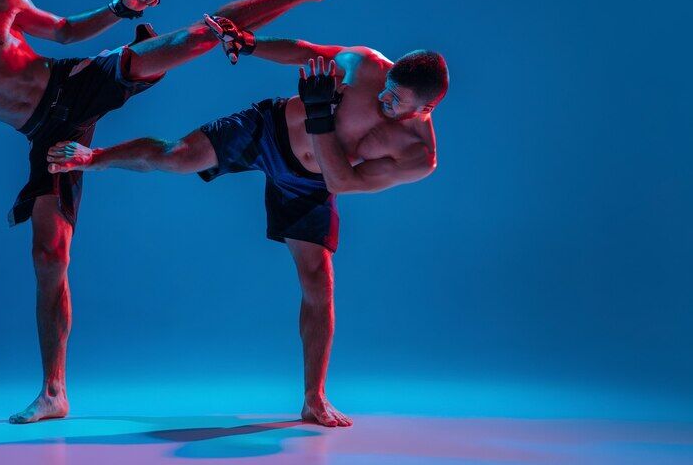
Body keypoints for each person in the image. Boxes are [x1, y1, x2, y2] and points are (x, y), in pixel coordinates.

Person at [0, 0, 378, 423]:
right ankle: (54, 392)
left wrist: (118, 9)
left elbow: (62, 31)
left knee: (202, 35)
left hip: (73, 85)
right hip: (43, 131)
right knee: (48, 255)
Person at [47, 29, 448, 427]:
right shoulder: (368, 66)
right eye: (388, 88)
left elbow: (341, 182)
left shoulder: (417, 155)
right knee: (177, 156)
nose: (384, 99)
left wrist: (321, 116)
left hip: (310, 182)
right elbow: (306, 49)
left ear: (427, 108)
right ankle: (93, 156)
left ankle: (314, 398)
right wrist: (253, 45)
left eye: (395, 101)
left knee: (318, 282)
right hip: (269, 129)